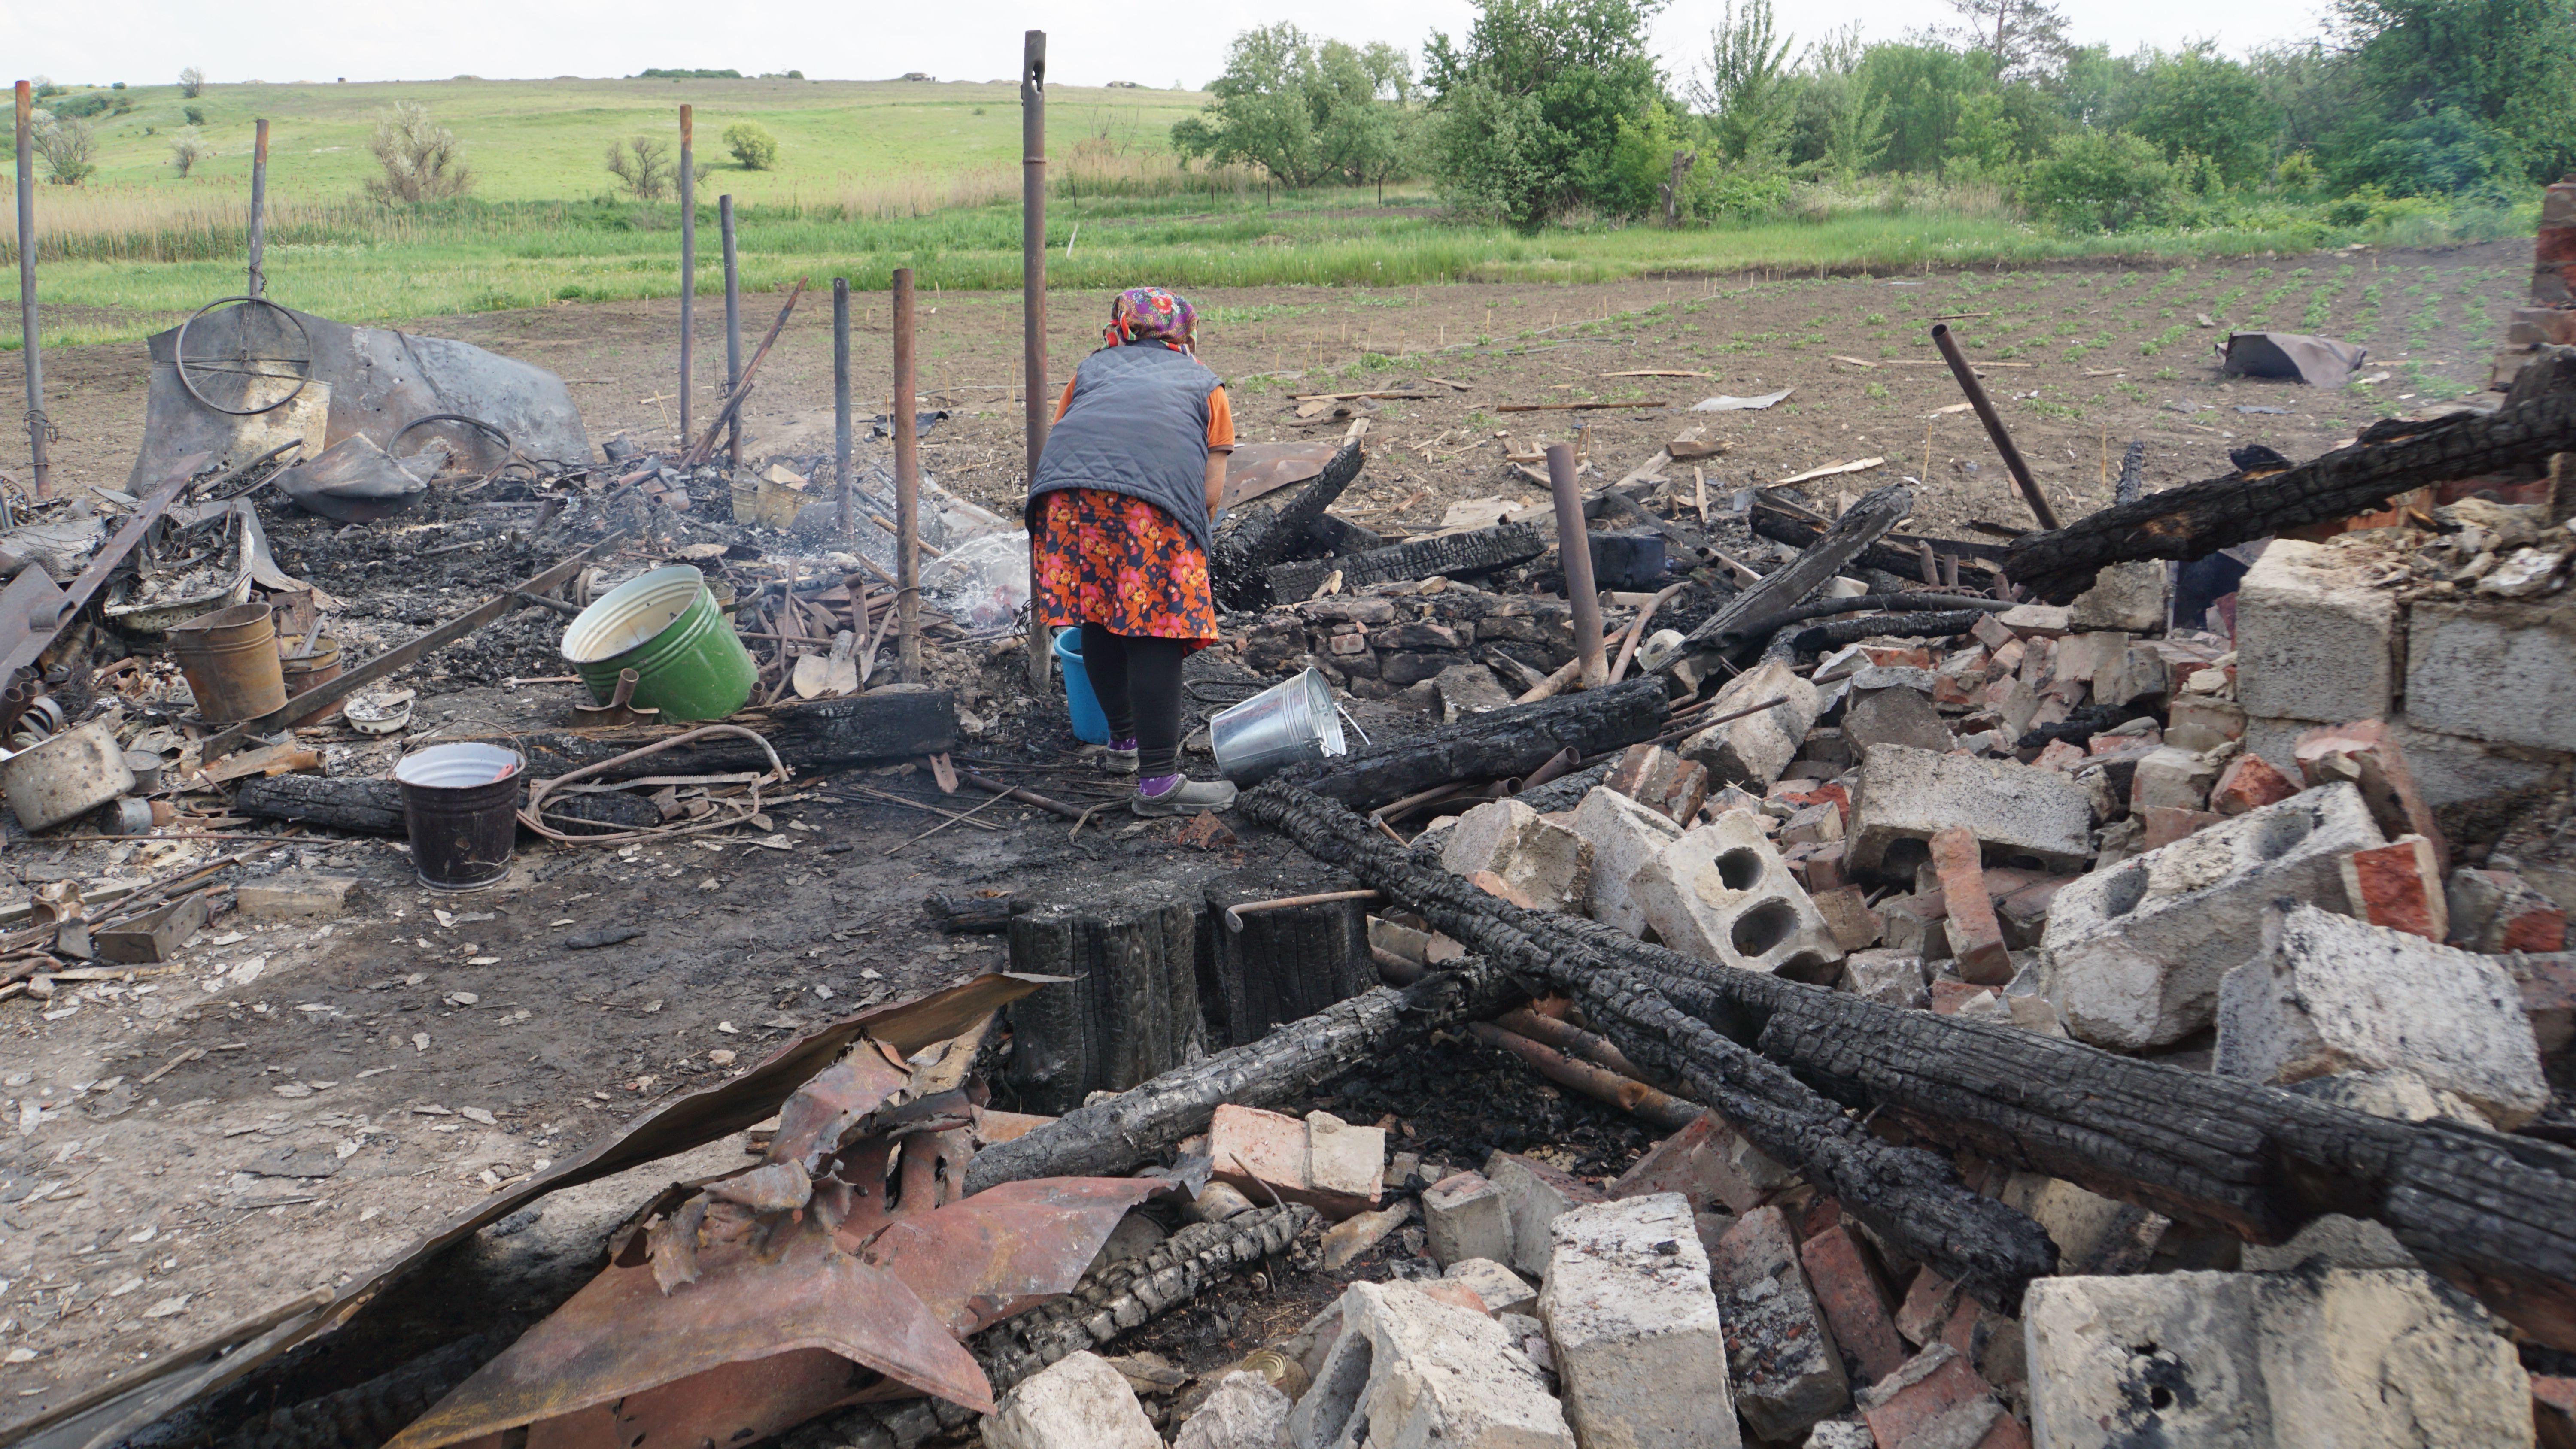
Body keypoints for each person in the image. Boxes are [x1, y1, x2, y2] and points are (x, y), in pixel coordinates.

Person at [1027, 287, 1239, 816]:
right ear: (1184, 333)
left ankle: (1123, 744)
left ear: (1122, 325)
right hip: (1150, 506)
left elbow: (1073, 433)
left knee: (1097, 611)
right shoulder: (1205, 385)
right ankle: (1159, 782)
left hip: (1066, 500)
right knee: (1156, 629)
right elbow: (1211, 492)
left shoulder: (1090, 371)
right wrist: (1181, 547)